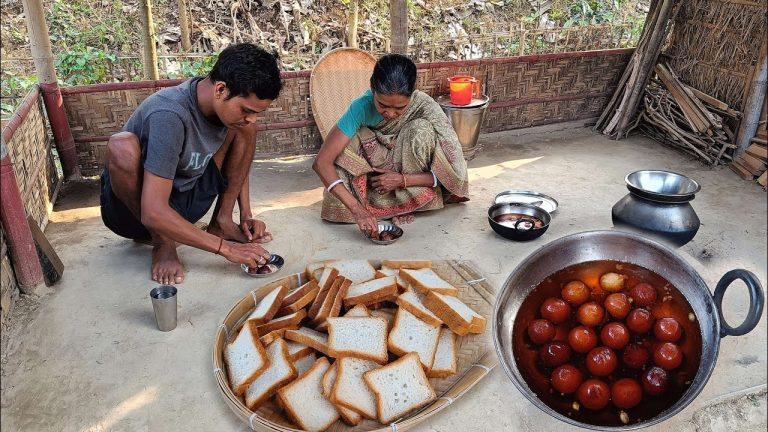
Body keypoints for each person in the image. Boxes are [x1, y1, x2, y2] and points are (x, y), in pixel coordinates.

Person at [100, 43, 282, 285]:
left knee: (245, 128)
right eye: (247, 109)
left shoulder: (224, 106)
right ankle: (162, 242)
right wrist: (226, 249)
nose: (251, 116)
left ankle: (222, 222)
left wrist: (246, 215)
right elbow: (153, 210)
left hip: (185, 202)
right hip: (135, 212)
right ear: (220, 89)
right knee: (121, 146)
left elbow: (239, 159)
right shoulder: (169, 114)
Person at [312, 53, 469, 238]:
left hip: (411, 181)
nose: (390, 113)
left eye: (400, 108)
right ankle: (374, 205)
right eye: (382, 105)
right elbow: (322, 162)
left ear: (412, 95)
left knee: (421, 130)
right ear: (372, 89)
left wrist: (402, 180)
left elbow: (456, 173)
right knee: (345, 145)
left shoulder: (425, 106)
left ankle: (408, 202)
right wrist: (356, 209)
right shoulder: (361, 106)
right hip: (374, 181)